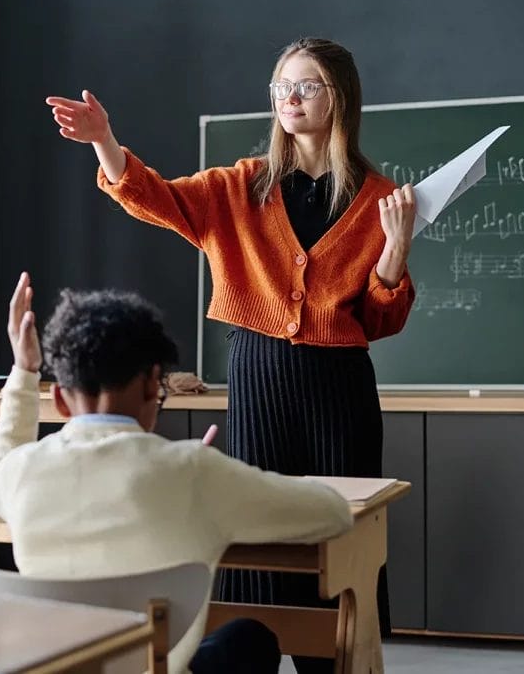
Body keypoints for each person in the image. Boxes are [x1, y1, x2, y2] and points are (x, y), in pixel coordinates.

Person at [46, 37, 415, 672]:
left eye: (307, 86)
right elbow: (152, 196)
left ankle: (343, 659)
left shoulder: (379, 197)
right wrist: (106, 140)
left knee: (341, 527)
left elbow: (379, 320)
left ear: (341, 99)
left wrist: (394, 256)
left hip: (340, 385)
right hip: (259, 375)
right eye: (281, 88)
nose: (290, 99)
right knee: (256, 531)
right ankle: (256, 655)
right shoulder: (238, 186)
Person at [0, 272, 354, 674]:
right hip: (159, 667)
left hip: (63, 667)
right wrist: (213, 477)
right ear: (151, 387)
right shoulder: (192, 471)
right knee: (249, 638)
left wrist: (24, 371)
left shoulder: (21, 472)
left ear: (59, 400)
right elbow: (332, 514)